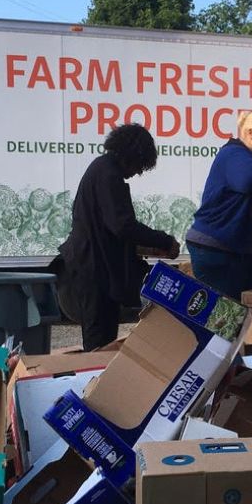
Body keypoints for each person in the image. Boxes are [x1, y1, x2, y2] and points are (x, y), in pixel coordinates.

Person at [55, 124, 180, 351]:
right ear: (133, 155)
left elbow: (112, 226)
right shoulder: (108, 174)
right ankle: (98, 382)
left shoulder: (102, 169)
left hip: (94, 264)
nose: (138, 172)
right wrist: (164, 241)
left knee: (104, 336)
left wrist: (147, 248)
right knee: (99, 342)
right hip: (92, 268)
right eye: (140, 166)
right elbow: (121, 225)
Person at [185, 110, 252, 299]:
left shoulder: (251, 160)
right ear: (250, 132)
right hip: (216, 247)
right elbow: (249, 178)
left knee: (236, 316)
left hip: (232, 249)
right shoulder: (233, 155)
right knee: (224, 316)